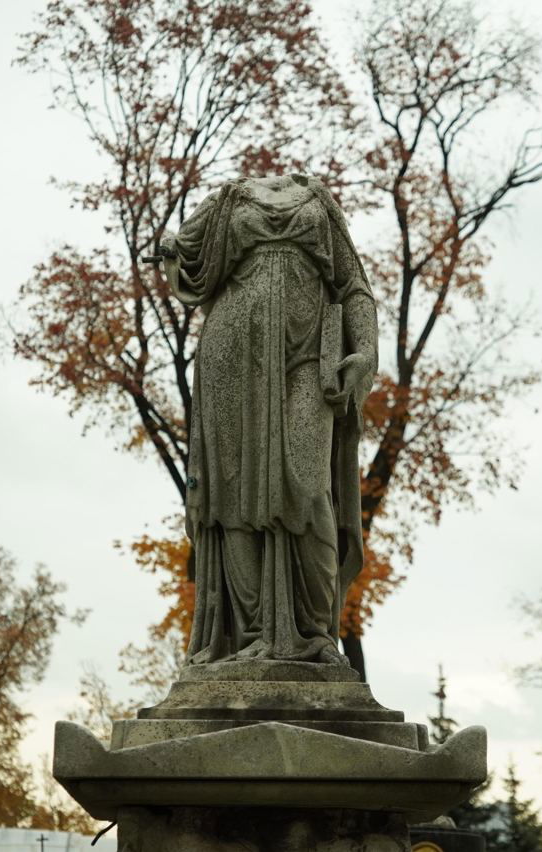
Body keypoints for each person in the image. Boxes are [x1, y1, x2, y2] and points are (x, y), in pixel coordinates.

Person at [157, 174, 378, 666]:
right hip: (231, 358)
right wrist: (170, 247)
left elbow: (354, 285)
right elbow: (180, 254)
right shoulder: (228, 200)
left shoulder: (319, 199)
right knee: (231, 492)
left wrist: (365, 350)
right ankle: (249, 634)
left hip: (306, 355)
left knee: (306, 483)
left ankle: (313, 634)